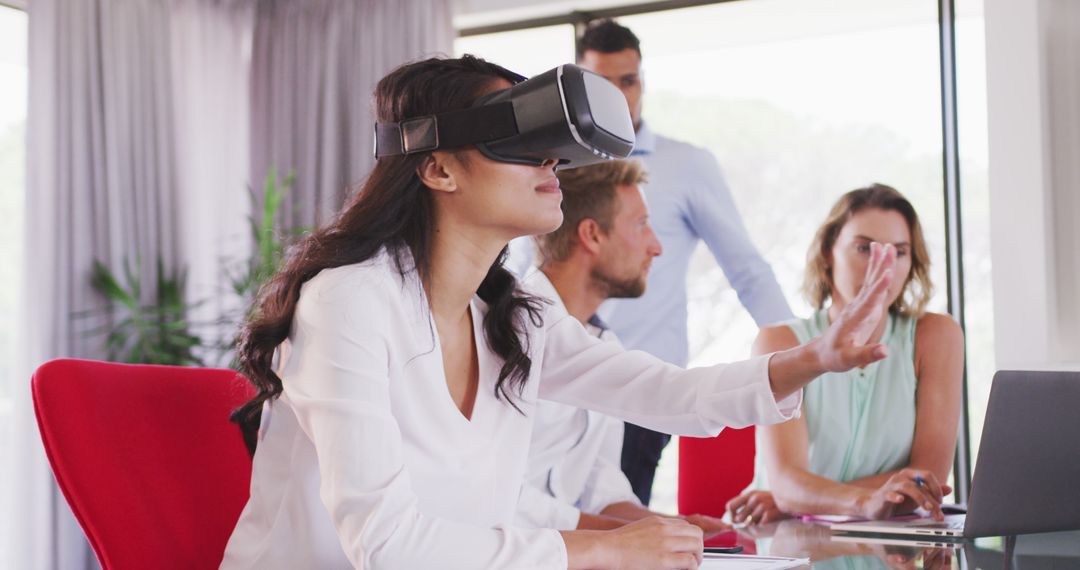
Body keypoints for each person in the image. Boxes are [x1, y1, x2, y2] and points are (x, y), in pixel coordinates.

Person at [220, 55, 900, 570]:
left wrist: (818, 357)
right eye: (517, 141)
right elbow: (389, 547)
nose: (550, 160)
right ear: (438, 170)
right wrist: (603, 549)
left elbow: (670, 393)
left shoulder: (512, 319)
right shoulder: (351, 303)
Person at [578, 19, 795, 505]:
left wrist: (800, 355)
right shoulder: (556, 167)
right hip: (560, 379)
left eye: (628, 82)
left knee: (620, 520)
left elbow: (747, 268)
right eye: (602, 85)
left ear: (643, 83)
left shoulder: (687, 165)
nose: (618, 96)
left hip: (645, 390)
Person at [726, 184, 963, 525]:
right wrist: (803, 499)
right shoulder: (779, 341)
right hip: (785, 540)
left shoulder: (937, 336)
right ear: (827, 253)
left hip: (886, 542)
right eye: (864, 248)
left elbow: (926, 480)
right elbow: (788, 484)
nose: (883, 266)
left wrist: (808, 499)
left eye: (899, 251)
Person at [515, 159, 726, 536]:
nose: (657, 247)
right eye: (642, 224)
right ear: (592, 235)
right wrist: (617, 535)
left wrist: (674, 526)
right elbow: (493, 492)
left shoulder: (603, 343)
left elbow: (600, 484)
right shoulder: (507, 333)